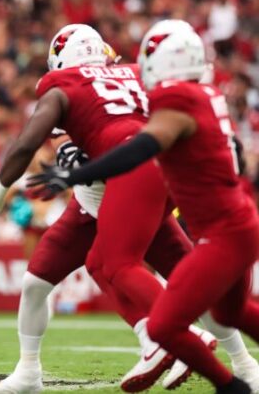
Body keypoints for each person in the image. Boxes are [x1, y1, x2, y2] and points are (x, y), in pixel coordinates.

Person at [28, 20, 259, 394]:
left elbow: (139, 148)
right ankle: (238, 382)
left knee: (161, 319)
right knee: (231, 311)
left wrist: (76, 173)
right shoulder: (208, 95)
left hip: (219, 234)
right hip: (237, 221)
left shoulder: (175, 100)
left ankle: (231, 386)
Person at [0, 23, 185, 391]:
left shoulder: (67, 86)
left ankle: (197, 344)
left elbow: (38, 145)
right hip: (93, 203)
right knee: (38, 282)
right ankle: (28, 372)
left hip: (132, 199)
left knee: (128, 268)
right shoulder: (134, 74)